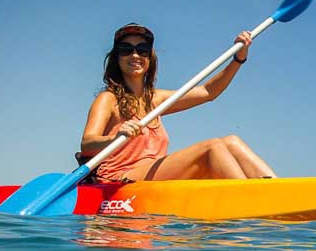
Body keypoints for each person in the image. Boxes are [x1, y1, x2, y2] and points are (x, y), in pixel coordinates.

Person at [78, 23, 277, 182]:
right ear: (116, 58)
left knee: (231, 141)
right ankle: (250, 202)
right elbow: (87, 144)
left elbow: (209, 91)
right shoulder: (108, 99)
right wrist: (116, 138)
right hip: (120, 181)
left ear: (150, 57)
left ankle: (277, 192)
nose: (135, 55)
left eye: (143, 49)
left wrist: (238, 59)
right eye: (126, 49)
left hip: (152, 175)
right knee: (212, 148)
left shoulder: (157, 100)